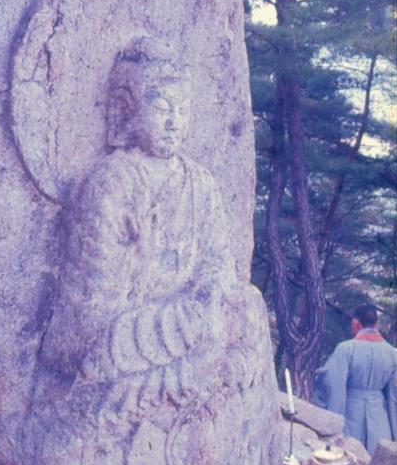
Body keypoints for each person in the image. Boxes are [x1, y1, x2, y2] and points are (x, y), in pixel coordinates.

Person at [39, 34, 259, 423]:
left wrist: (210, 288)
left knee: (249, 308)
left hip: (190, 315)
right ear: (127, 110)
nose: (175, 123)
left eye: (183, 110)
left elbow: (217, 258)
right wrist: (182, 317)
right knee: (185, 338)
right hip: (121, 328)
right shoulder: (113, 182)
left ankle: (198, 382)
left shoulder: (201, 183)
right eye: (161, 109)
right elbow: (93, 302)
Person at [315, 303, 397, 454]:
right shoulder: (391, 353)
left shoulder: (346, 348)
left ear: (356, 323)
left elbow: (333, 386)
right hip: (381, 421)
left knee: (348, 459)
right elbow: (393, 396)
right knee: (378, 461)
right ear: (376, 323)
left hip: (351, 416)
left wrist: (333, 425)